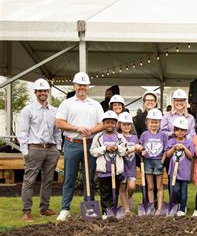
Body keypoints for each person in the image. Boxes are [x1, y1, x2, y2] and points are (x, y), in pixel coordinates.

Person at [56, 72, 104, 222]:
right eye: (79, 84)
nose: (82, 87)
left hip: (89, 144)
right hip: (72, 143)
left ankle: (88, 210)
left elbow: (102, 124)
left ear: (88, 86)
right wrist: (77, 128)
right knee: (69, 178)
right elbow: (59, 123)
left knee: (88, 179)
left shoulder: (95, 105)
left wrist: (90, 130)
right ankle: (65, 209)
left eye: (84, 85)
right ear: (74, 86)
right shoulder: (67, 103)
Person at [18, 78, 62, 222]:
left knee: (48, 180)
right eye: (40, 91)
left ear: (48, 92)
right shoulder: (28, 110)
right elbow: (22, 132)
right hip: (34, 148)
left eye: (45, 91)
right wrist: (25, 151)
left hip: (51, 149)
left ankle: (44, 208)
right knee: (29, 180)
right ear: (35, 92)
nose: (43, 93)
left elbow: (57, 131)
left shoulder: (54, 111)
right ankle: (27, 211)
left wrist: (58, 148)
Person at [90, 111, 127, 219]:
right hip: (103, 171)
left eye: (112, 123)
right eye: (107, 122)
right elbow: (93, 151)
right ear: (103, 123)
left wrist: (117, 148)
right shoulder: (98, 137)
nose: (110, 125)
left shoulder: (120, 137)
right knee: (105, 192)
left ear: (116, 124)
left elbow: (125, 151)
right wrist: (105, 148)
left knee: (114, 191)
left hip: (116, 171)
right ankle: (106, 212)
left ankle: (114, 210)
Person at [165, 117, 195, 216]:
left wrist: (184, 148)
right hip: (173, 172)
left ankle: (183, 208)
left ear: (186, 131)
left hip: (184, 172)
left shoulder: (189, 142)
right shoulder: (171, 141)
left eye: (182, 130)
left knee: (183, 192)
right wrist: (174, 148)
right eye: (177, 129)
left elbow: (191, 156)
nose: (180, 132)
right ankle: (175, 206)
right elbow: (168, 155)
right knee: (174, 190)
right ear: (174, 130)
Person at [139, 108, 167, 214]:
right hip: (148, 162)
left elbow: (165, 151)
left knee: (159, 186)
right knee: (150, 186)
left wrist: (162, 162)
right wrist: (142, 151)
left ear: (159, 123)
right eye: (152, 122)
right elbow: (140, 147)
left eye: (156, 122)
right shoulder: (144, 135)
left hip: (158, 161)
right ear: (147, 122)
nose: (154, 124)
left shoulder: (163, 135)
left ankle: (159, 209)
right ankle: (151, 208)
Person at [118, 112, 142, 215]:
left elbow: (138, 151)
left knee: (132, 187)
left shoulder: (134, 137)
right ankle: (126, 209)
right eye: (124, 124)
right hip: (122, 167)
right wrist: (132, 149)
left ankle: (129, 197)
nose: (127, 126)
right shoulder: (118, 137)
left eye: (128, 124)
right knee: (123, 187)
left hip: (131, 166)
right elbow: (120, 151)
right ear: (120, 125)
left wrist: (140, 150)